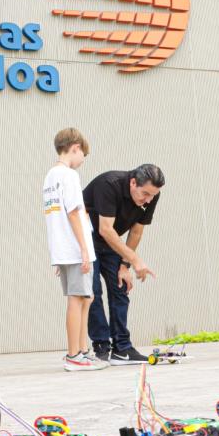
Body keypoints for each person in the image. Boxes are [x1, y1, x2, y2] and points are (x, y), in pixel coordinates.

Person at [83, 164, 164, 365]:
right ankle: (101, 346)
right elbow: (105, 229)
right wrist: (136, 261)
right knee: (93, 292)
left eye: (152, 196)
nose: (148, 200)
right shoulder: (109, 184)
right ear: (133, 182)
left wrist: (125, 265)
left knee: (120, 287)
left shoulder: (151, 195)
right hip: (87, 240)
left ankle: (122, 347)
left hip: (112, 241)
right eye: (145, 193)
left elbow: (136, 231)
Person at [43, 128, 105, 371]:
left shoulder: (50, 176)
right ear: (75, 147)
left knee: (84, 297)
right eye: (83, 155)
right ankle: (74, 355)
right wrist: (84, 250)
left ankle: (82, 351)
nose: (82, 161)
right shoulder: (68, 176)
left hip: (62, 249)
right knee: (78, 299)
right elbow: (73, 212)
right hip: (75, 248)